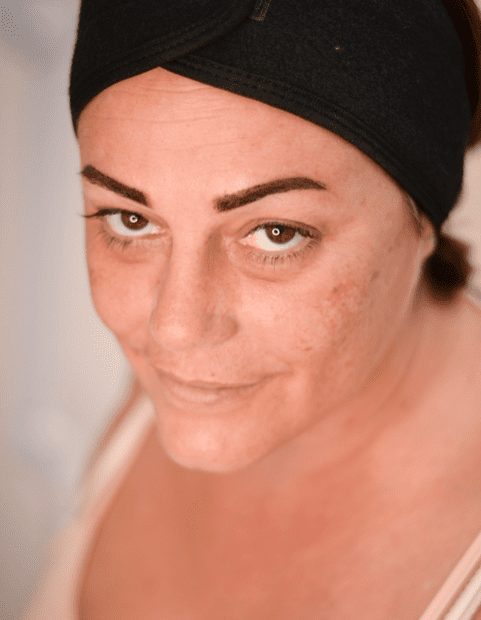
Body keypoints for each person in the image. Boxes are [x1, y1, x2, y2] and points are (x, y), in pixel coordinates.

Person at [25, 0, 481, 618]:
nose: (175, 328)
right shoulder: (194, 388)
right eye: (130, 220)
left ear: (423, 218)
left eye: (275, 233)